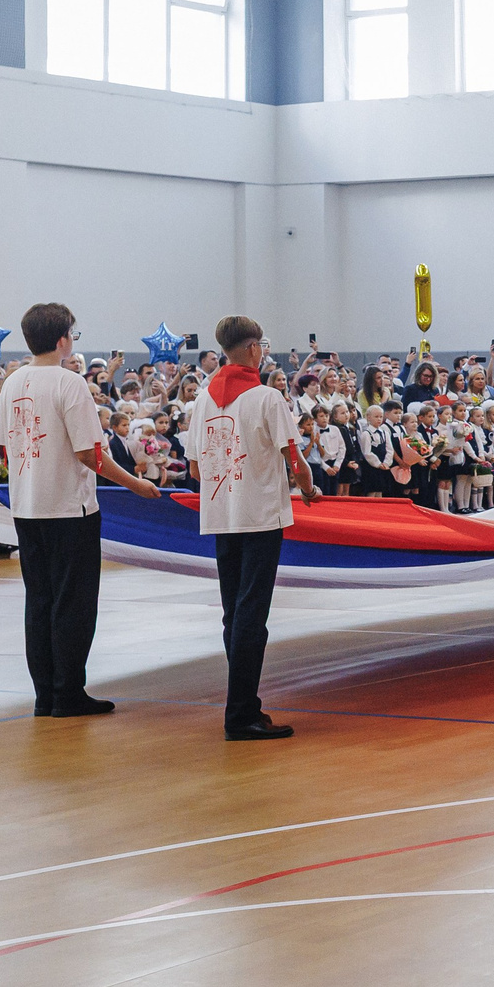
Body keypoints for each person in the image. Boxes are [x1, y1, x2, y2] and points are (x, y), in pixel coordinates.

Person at [0, 303, 160, 717]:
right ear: (62, 339)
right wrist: (135, 483)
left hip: (27, 506)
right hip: (70, 508)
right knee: (73, 602)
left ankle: (46, 695)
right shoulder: (69, 384)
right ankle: (68, 691)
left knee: (39, 601)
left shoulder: (13, 383)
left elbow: (8, 445)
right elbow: (91, 454)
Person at [190, 314, 319, 742]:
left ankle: (246, 705)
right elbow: (293, 457)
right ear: (253, 349)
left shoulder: (204, 398)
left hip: (220, 515)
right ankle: (240, 714)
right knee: (251, 616)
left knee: (235, 613)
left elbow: (194, 465)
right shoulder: (267, 397)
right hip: (260, 515)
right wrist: (308, 488)